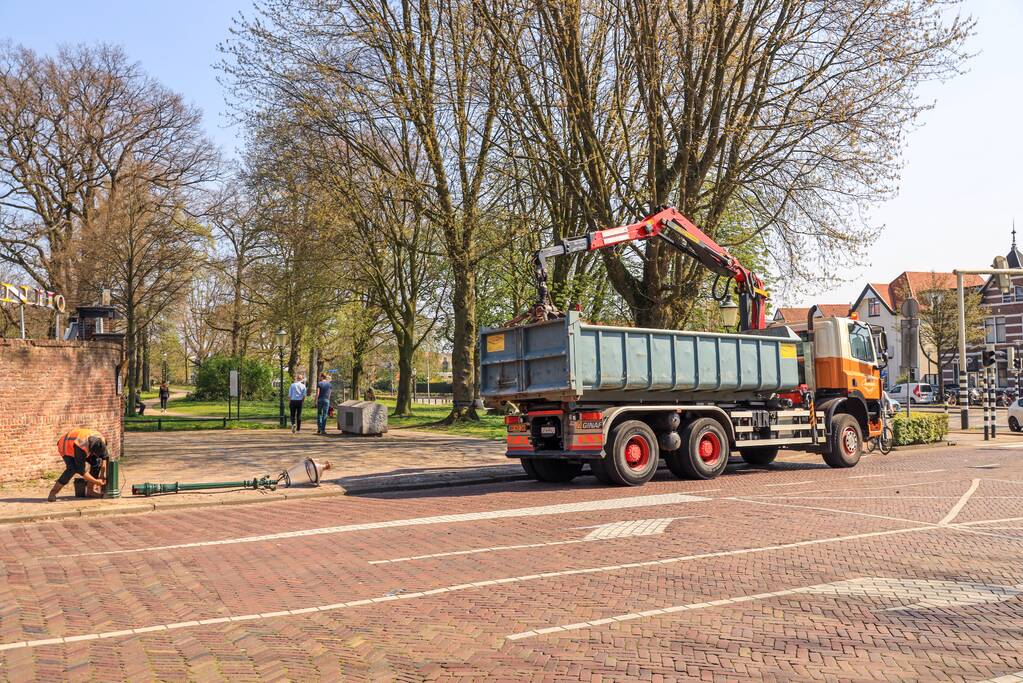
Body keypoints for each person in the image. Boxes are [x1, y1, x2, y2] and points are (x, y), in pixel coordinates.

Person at [48, 428, 109, 502]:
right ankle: (53, 492)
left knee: (97, 462)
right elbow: (81, 471)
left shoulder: (102, 441)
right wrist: (96, 481)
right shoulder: (81, 446)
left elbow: (105, 458)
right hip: (66, 447)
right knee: (72, 469)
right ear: (91, 450)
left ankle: (90, 491)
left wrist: (102, 474)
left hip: (81, 445)